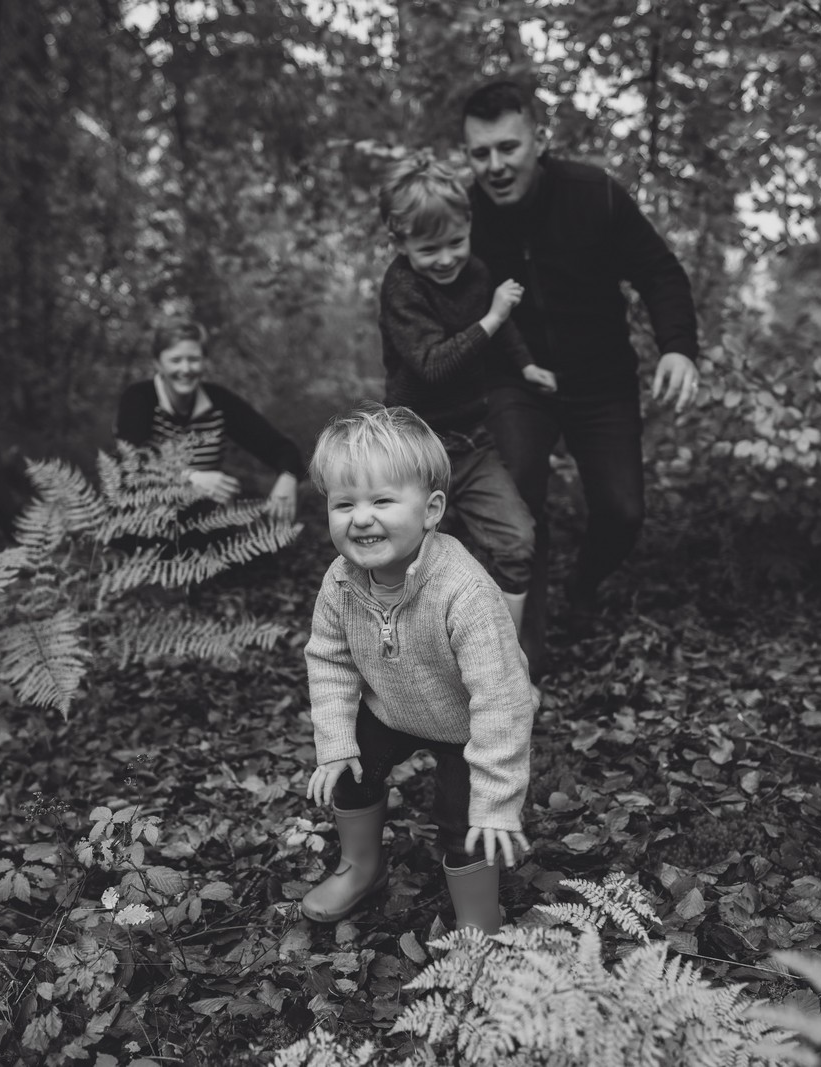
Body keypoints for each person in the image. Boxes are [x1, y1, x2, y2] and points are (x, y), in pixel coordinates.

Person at [461, 78, 701, 678]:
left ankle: (585, 585)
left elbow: (660, 272)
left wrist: (678, 348)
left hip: (602, 382)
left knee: (623, 513)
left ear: (538, 140)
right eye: (480, 152)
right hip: (517, 382)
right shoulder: (465, 217)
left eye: (508, 147)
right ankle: (525, 649)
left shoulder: (594, 194)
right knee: (520, 497)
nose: (495, 165)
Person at [301, 403, 535, 934]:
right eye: (344, 503)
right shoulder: (340, 582)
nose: (361, 517)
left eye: (383, 500)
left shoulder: (464, 591)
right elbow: (329, 659)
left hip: (467, 723)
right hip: (390, 708)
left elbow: (503, 700)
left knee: (463, 822)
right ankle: (361, 867)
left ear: (430, 510)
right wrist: (335, 742)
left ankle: (479, 921)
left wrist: (496, 804)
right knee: (352, 770)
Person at [376, 154, 550, 637]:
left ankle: (505, 661)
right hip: (415, 451)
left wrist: (527, 365)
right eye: (430, 248)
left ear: (468, 226)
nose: (448, 258)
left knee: (517, 541)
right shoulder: (402, 289)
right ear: (400, 242)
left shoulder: (473, 270)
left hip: (473, 442)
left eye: (456, 242)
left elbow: (502, 323)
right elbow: (432, 365)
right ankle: (403, 661)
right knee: (410, 559)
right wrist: (491, 319)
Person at [115, 316, 304, 522]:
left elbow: (282, 449)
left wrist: (288, 477)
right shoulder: (139, 398)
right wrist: (191, 479)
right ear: (158, 364)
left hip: (203, 520)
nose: (186, 369)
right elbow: (130, 465)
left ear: (204, 361)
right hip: (144, 520)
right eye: (176, 360)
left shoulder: (219, 402)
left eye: (194, 359)